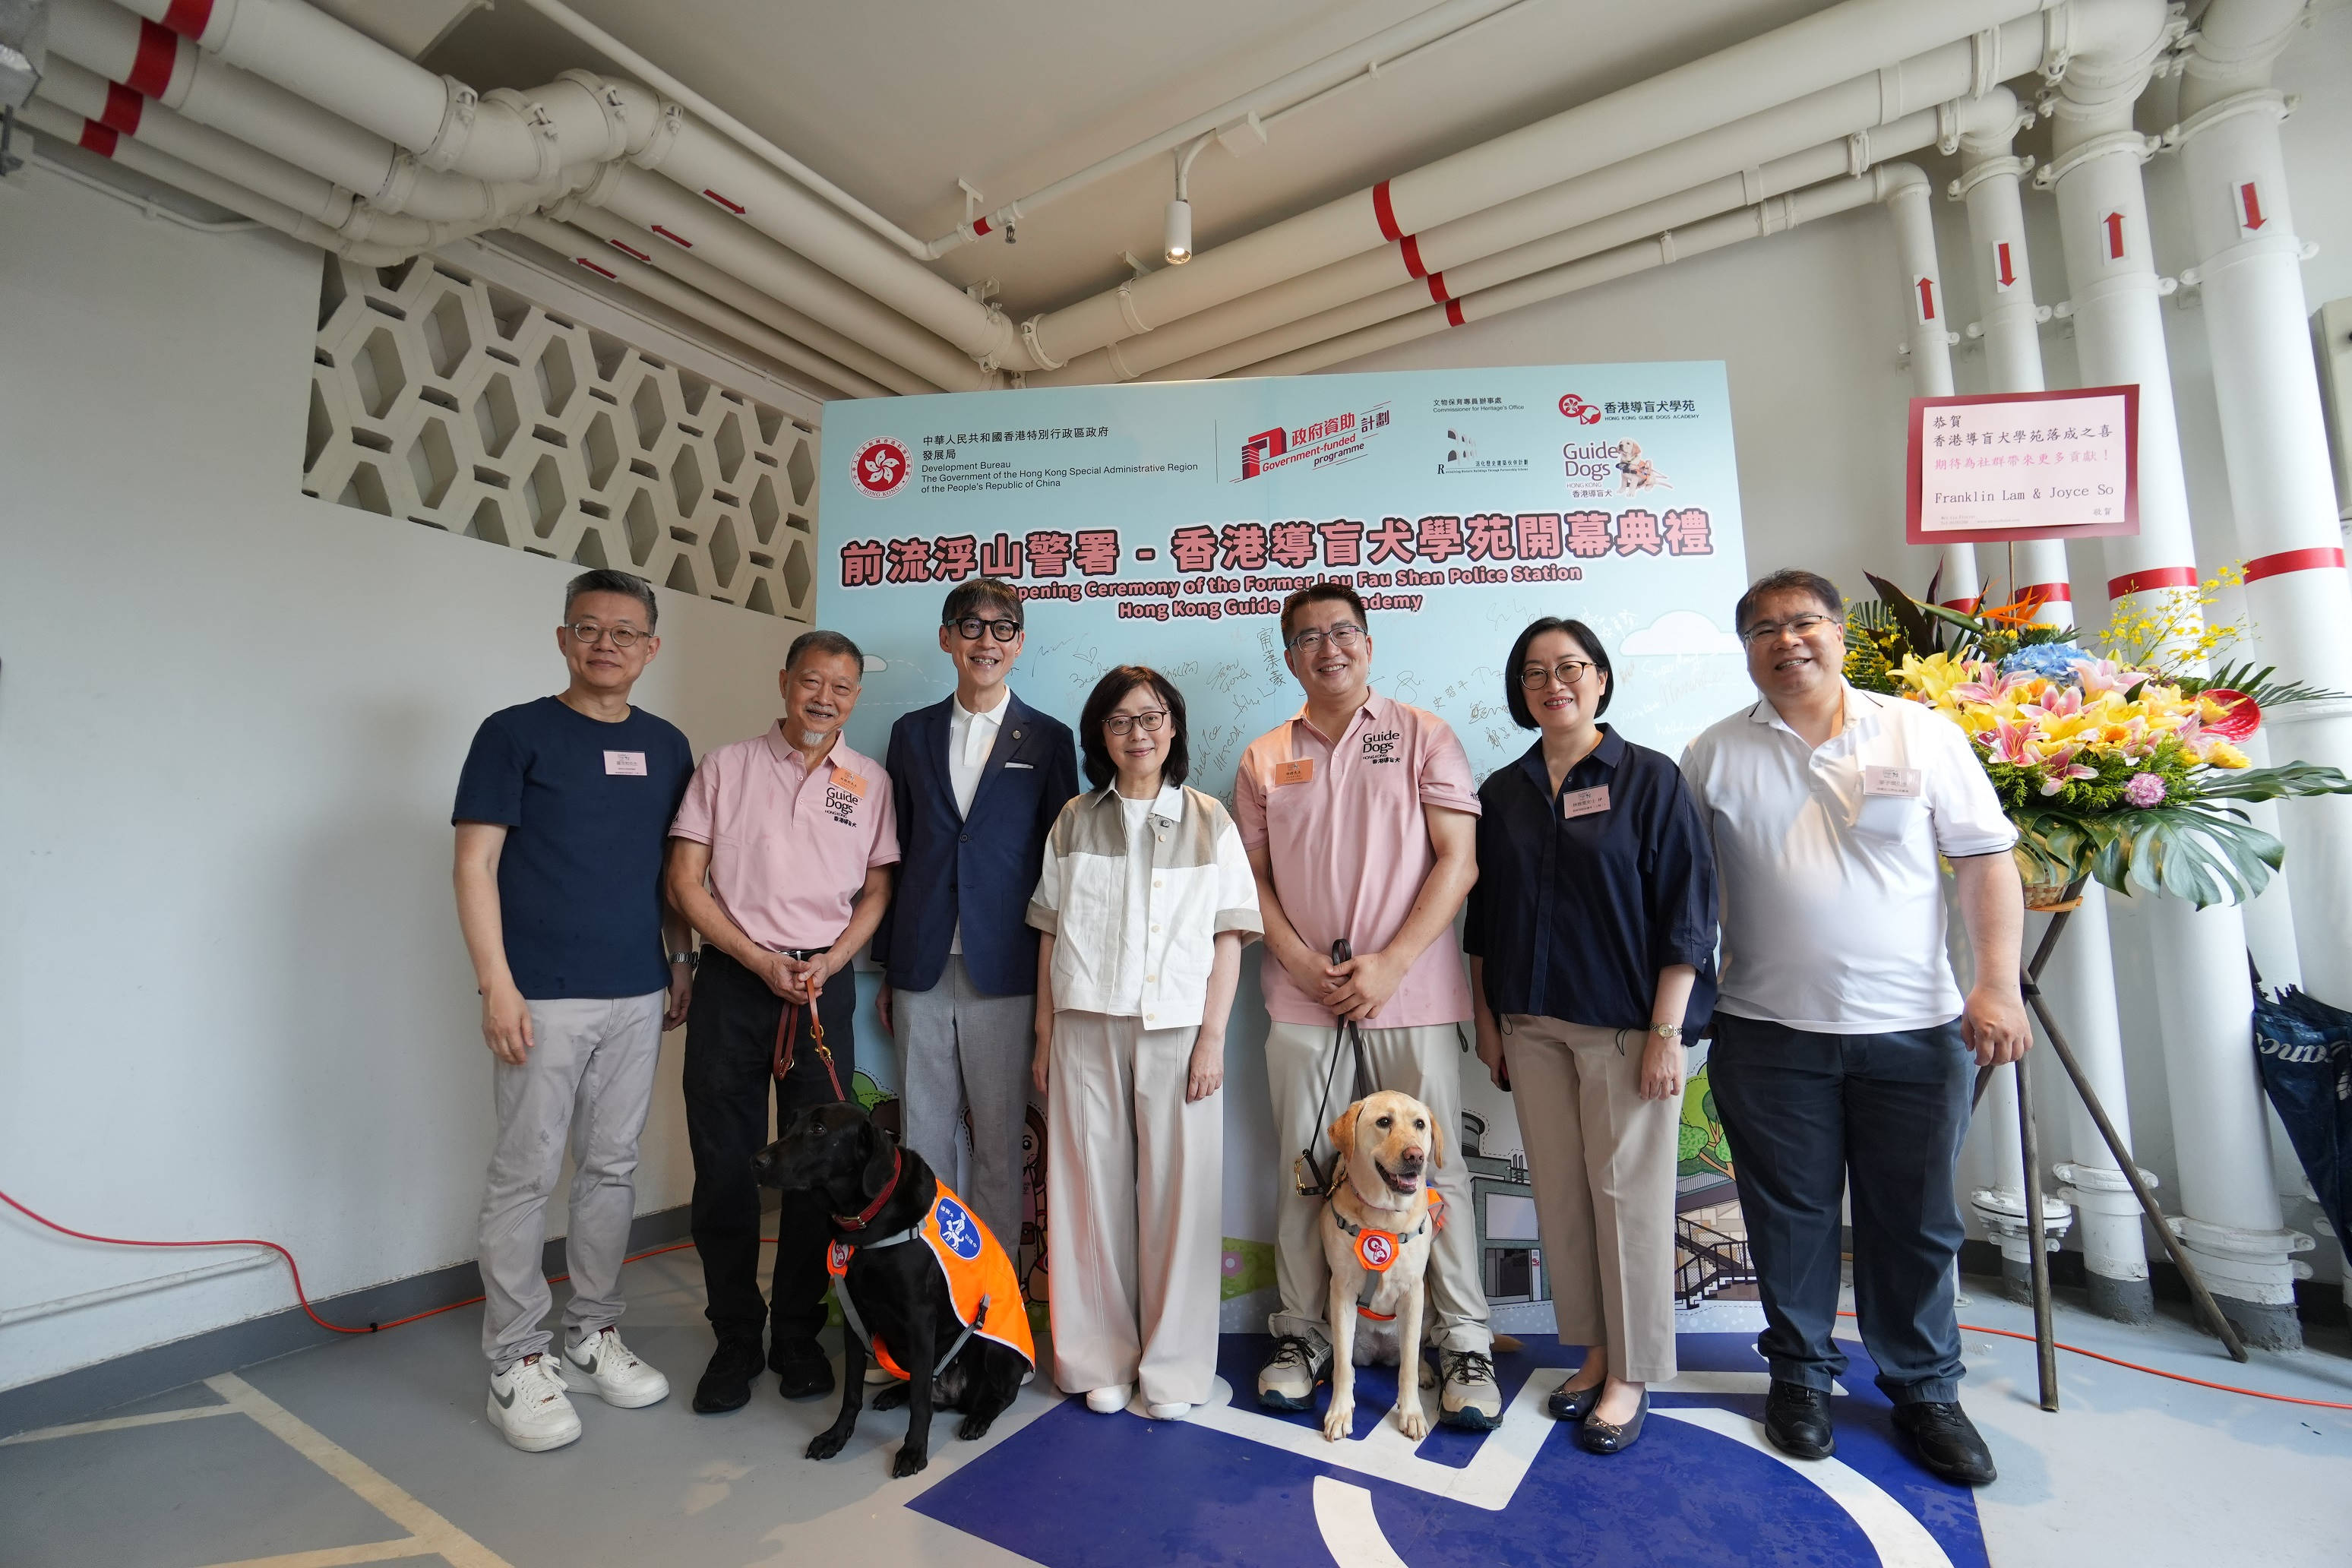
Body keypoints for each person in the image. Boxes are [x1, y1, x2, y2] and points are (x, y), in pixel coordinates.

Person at [1679, 568, 2028, 1487]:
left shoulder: (1920, 731)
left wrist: (1997, 984)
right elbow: (1688, 896)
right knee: (1786, 1221)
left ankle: (1923, 1389)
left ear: (1839, 634)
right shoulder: (1713, 753)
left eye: (1804, 624)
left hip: (1915, 1030)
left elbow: (1985, 860)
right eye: (1763, 630)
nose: (1787, 642)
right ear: (1745, 648)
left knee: (1912, 1221)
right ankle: (1799, 1377)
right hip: (1766, 1032)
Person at [1232, 583, 1500, 1429]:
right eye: (1308, 638)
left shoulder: (1424, 734)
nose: (1329, 649)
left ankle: (1461, 1343)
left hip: (1411, 991)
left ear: (1369, 644)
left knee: (1434, 1170)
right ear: (1289, 657)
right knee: (1311, 1169)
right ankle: (1304, 1336)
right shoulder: (1266, 755)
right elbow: (1252, 883)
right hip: (1302, 997)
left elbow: (1457, 862)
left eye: (1344, 632)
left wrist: (1389, 964)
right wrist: (1306, 964)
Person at [1465, 618, 1718, 1456]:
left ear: (1601, 679)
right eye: (1534, 672)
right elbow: (1483, 923)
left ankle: (1633, 1372)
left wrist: (1665, 1031)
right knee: (1565, 1203)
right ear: (1520, 690)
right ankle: (1595, 1350)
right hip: (1529, 1027)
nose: (1553, 683)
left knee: (1628, 1204)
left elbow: (1689, 912)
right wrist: (1488, 1023)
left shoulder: (1650, 779)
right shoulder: (1502, 792)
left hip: (1622, 1028)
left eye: (1570, 667)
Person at [453, 567, 691, 1453]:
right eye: (588, 628)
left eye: (625, 633)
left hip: (637, 992)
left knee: (612, 1167)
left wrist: (677, 958)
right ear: (562, 638)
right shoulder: (514, 735)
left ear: (650, 649)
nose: (606, 645)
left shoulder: (667, 746)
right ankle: (514, 1358)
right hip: (539, 998)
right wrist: (497, 984)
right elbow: (474, 866)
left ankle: (591, 1331)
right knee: (525, 1173)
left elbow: (675, 873)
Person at [666, 630, 898, 1415]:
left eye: (839, 687)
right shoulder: (726, 767)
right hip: (737, 980)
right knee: (725, 1164)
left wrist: (829, 963)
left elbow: (876, 892)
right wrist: (756, 957)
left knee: (819, 1171)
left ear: (855, 697)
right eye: (810, 682)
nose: (822, 698)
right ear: (784, 683)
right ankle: (736, 1335)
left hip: (821, 987)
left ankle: (797, 1333)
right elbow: (685, 882)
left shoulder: (868, 781)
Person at [1027, 666, 1259, 1421]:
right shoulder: (1073, 818)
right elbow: (1051, 934)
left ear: (1173, 728)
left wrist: (1213, 1040)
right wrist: (1043, 1032)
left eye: (1152, 718)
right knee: (1087, 1194)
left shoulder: (1209, 819)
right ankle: (1099, 1359)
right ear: (1102, 733)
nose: (1139, 733)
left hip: (1179, 1030)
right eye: (1121, 721)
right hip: (1084, 1025)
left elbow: (1231, 939)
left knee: (1180, 1202)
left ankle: (1175, 1369)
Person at [875, 577, 1080, 1251]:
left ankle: (990, 1305)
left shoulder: (1048, 739)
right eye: (970, 626)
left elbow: (1062, 863)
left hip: (1010, 966)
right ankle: (931, 1287)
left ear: (1018, 644)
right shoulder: (910, 734)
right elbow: (894, 851)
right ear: (946, 638)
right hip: (921, 964)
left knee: (998, 1140)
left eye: (1001, 628)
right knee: (924, 1139)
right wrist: (887, 966)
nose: (984, 640)